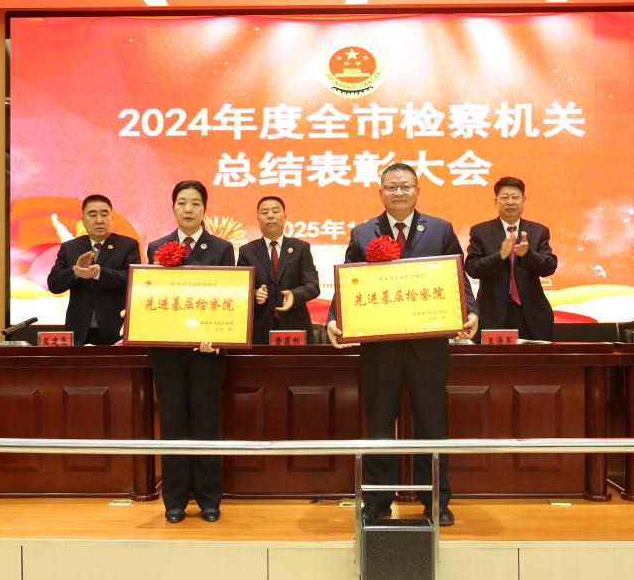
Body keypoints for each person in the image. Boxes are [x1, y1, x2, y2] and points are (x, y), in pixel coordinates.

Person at [326, 163, 478, 527]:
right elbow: (349, 282)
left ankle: (436, 501)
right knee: (379, 423)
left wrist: (470, 311)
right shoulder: (363, 232)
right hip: (381, 347)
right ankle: (377, 500)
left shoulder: (440, 229)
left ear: (417, 191)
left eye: (405, 186)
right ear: (380, 192)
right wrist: (335, 318)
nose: (398, 192)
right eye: (391, 186)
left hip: (428, 345)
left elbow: (458, 277)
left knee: (431, 423)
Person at [146, 180, 235, 523]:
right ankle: (175, 500)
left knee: (206, 422)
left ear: (204, 209)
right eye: (182, 202)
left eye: (195, 203)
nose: (188, 209)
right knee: (172, 423)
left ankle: (210, 499)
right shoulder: (157, 246)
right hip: (167, 351)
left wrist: (219, 333)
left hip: (206, 351)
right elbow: (151, 294)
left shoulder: (222, 248)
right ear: (173, 207)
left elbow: (228, 297)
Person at [465, 176, 557, 341]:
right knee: (495, 358)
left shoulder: (538, 231)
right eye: (505, 197)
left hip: (531, 314)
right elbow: (472, 268)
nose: (510, 202)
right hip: (492, 313)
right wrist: (500, 256)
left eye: (515, 197)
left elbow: (549, 267)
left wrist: (527, 254)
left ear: (523, 200)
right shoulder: (481, 231)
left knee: (532, 358)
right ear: (496, 201)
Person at [47, 194, 141, 345]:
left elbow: (133, 281)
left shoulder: (128, 245)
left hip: (115, 332)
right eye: (92, 215)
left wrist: (99, 274)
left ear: (112, 219)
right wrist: (75, 272)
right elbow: (54, 284)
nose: (99, 220)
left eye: (104, 214)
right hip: (78, 334)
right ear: (83, 220)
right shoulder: (69, 248)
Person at [237, 196, 320, 345]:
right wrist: (254, 294)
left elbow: (313, 286)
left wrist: (294, 295)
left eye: (275, 211)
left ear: (284, 217)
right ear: (258, 219)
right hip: (259, 330)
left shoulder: (301, 248)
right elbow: (239, 289)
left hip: (295, 326)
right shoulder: (247, 251)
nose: (270, 215)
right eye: (264, 212)